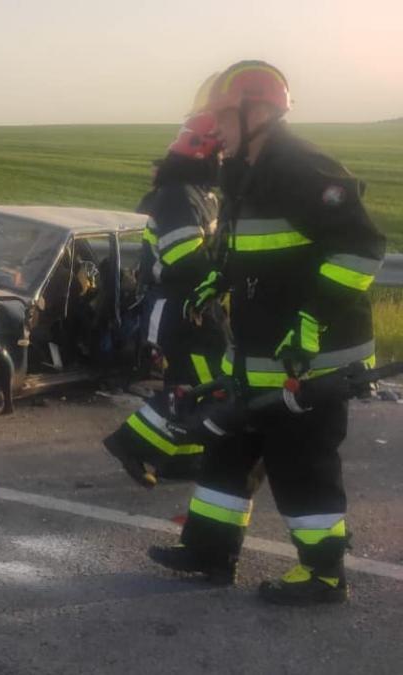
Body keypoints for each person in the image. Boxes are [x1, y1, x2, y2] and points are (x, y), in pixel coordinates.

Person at [148, 60, 386, 605]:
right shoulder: (244, 173)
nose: (216, 131)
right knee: (229, 451)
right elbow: (253, 251)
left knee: (301, 466)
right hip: (258, 357)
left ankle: (324, 575)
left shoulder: (300, 167)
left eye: (224, 119)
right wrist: (217, 278)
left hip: (311, 361)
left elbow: (361, 248)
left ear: (258, 113)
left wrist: (311, 321)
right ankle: (209, 551)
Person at [103, 110, 225, 487]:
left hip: (191, 306)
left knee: (189, 382)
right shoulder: (177, 197)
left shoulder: (199, 195)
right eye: (222, 155)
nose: (226, 162)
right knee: (207, 385)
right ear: (205, 156)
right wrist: (229, 271)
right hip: (182, 307)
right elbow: (185, 259)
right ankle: (132, 444)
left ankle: (183, 460)